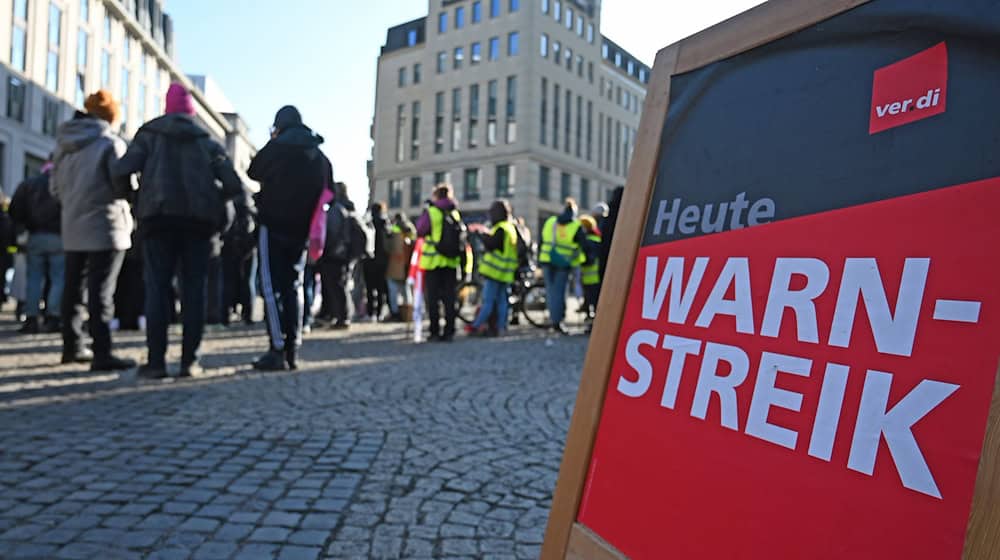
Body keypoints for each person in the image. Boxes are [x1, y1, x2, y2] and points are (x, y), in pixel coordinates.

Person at [113, 83, 245, 379]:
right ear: (191, 112)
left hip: (158, 219)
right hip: (198, 224)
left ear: (167, 107)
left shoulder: (150, 135)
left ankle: (156, 363)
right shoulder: (206, 141)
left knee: (157, 290)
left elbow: (121, 171)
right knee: (194, 292)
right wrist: (213, 201)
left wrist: (134, 199)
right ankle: (190, 362)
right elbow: (234, 184)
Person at [50, 90, 136, 370]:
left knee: (73, 289)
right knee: (101, 293)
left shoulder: (63, 146)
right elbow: (122, 185)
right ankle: (103, 353)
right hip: (106, 225)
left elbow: (54, 189)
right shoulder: (110, 143)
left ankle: (71, 346)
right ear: (111, 116)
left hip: (73, 225)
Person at [247, 105, 331, 370]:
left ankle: (277, 348)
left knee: (271, 288)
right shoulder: (318, 156)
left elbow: (253, 171)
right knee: (294, 286)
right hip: (301, 231)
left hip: (271, 226)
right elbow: (329, 191)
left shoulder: (275, 149)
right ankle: (293, 346)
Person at [8, 161, 64, 334]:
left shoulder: (30, 184)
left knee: (33, 278)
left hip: (36, 235)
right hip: (58, 236)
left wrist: (24, 227)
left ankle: (31, 317)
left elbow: (14, 210)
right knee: (58, 278)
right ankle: (53, 317)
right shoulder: (63, 184)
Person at [416, 184, 464, 342]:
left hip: (433, 262)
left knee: (433, 299)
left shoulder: (432, 211)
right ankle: (450, 330)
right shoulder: (455, 213)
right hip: (451, 262)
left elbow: (420, 230)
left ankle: (434, 331)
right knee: (450, 298)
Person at [466, 200, 518, 337]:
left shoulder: (501, 228)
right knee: (502, 301)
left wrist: (482, 235)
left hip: (495, 271)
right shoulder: (510, 227)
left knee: (488, 301)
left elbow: (492, 244)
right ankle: (501, 327)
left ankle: (477, 325)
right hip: (506, 272)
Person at [539, 198, 586, 334]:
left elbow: (542, 240)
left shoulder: (551, 221)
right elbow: (582, 245)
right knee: (559, 292)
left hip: (547, 259)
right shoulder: (576, 225)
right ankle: (557, 321)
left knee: (551, 291)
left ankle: (554, 318)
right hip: (563, 263)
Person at [322, 182, 360, 330]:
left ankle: (342, 318)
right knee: (340, 286)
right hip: (343, 254)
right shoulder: (347, 208)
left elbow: (331, 232)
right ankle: (342, 316)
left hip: (335, 254)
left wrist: (325, 249)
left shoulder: (336, 209)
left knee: (337, 287)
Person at [361, 202, 390, 322]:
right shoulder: (385, 223)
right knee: (380, 288)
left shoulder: (367, 222)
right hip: (382, 260)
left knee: (369, 288)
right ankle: (379, 313)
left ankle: (370, 313)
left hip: (369, 259)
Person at [385, 214, 414, 322]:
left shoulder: (394, 230)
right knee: (406, 290)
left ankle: (396, 312)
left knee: (393, 290)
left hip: (396, 264)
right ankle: (409, 312)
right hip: (407, 266)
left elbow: (388, 246)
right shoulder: (411, 231)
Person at [579, 215, 603, 321]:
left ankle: (591, 318)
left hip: (589, 275)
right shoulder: (598, 239)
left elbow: (588, 259)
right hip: (596, 274)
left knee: (590, 298)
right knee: (595, 299)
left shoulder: (587, 241)